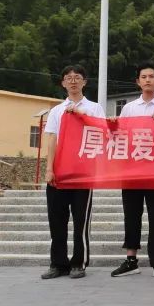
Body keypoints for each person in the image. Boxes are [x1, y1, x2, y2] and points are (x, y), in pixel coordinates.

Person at [111, 62, 154, 278]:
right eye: (144, 77)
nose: (148, 80)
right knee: (131, 215)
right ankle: (131, 260)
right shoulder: (129, 108)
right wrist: (113, 126)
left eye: (151, 76)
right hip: (132, 170)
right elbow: (120, 137)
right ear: (138, 81)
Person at [40, 64, 104, 280]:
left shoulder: (94, 108)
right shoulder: (57, 110)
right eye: (69, 78)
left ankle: (78, 263)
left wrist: (79, 115)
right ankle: (58, 264)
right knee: (57, 220)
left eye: (77, 77)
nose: (73, 81)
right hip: (59, 172)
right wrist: (49, 169)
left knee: (80, 221)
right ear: (63, 83)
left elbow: (100, 133)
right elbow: (52, 139)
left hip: (82, 173)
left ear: (84, 82)